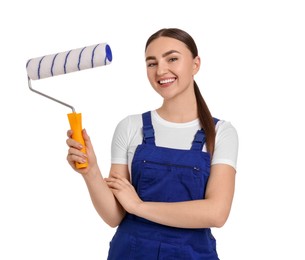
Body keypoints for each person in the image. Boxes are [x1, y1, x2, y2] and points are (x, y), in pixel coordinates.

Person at [66, 28, 238, 260]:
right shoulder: (129, 127)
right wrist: (91, 172)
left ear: (195, 64)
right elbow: (114, 216)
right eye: (151, 63)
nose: (161, 70)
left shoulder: (220, 133)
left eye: (172, 59)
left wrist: (138, 207)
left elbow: (216, 213)